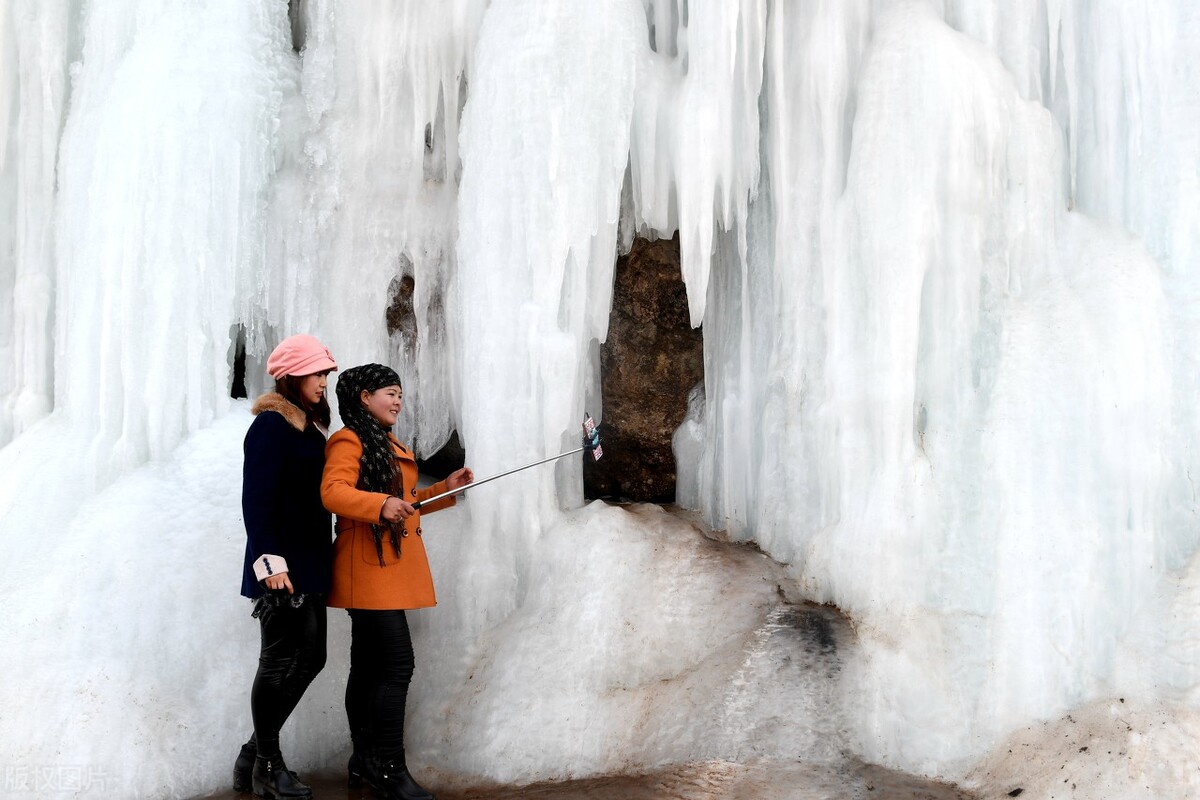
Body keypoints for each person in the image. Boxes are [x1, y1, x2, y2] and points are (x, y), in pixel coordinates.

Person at [321, 364, 473, 800]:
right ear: (364, 397)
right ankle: (387, 766)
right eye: (390, 392)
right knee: (395, 665)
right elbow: (333, 492)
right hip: (367, 567)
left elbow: (403, 503)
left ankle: (365, 761)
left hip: (385, 565)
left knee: (370, 667)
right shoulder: (349, 440)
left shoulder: (384, 443)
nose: (398, 400)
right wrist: (381, 503)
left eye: (400, 393)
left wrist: (444, 487)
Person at [233, 334, 338, 800]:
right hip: (280, 567)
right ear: (293, 376)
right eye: (317, 374)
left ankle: (253, 754)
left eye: (326, 375)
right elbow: (257, 501)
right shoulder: (272, 426)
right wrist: (269, 563)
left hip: (309, 563)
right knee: (277, 661)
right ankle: (268, 768)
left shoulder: (308, 428)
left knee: (312, 657)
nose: (323, 382)